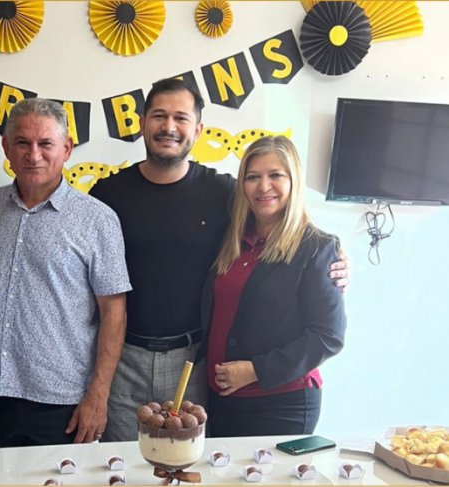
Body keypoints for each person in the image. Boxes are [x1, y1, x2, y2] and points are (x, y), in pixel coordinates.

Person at [90, 78, 349, 442]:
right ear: (142, 122)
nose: (169, 127)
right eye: (159, 116)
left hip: (194, 362)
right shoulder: (106, 194)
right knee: (121, 467)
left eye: (180, 118)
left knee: (188, 467)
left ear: (197, 130)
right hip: (123, 359)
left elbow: (286, 227)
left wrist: (335, 258)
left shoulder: (223, 193)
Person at [0, 98, 131, 447]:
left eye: (46, 144)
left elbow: (114, 313)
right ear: (6, 148)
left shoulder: (98, 220)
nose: (34, 155)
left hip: (65, 401)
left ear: (67, 149)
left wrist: (98, 396)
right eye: (22, 143)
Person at [202, 135, 346, 436]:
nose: (263, 186)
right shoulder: (232, 240)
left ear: (294, 180)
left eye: (276, 175)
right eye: (253, 177)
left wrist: (256, 370)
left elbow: (328, 336)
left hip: (281, 404)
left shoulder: (317, 248)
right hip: (221, 401)